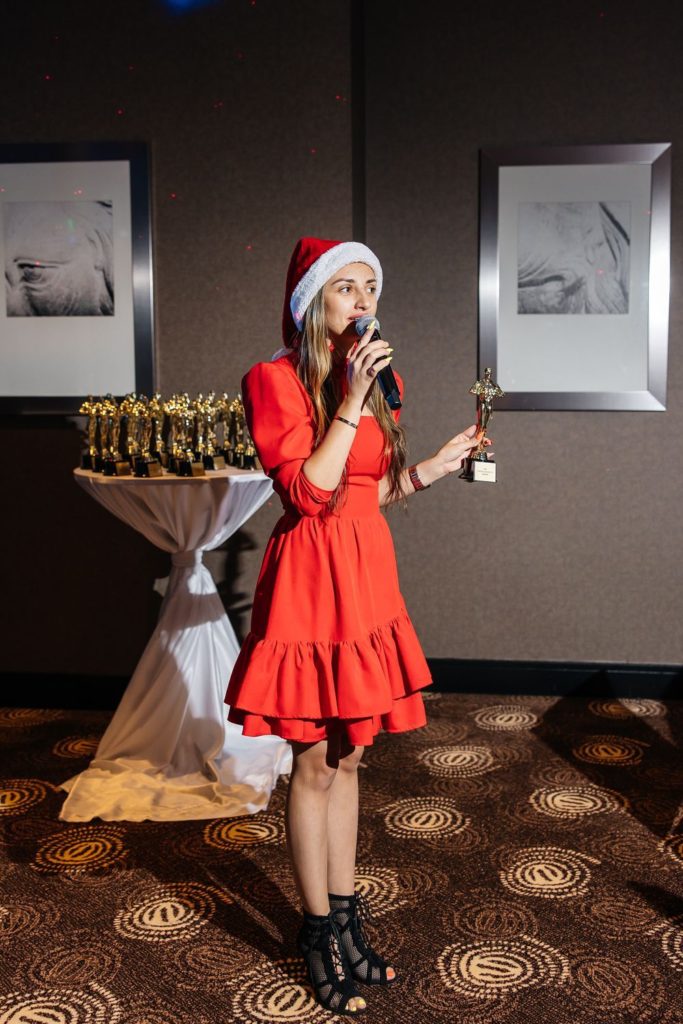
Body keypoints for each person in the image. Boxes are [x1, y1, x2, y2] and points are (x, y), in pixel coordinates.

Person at [225, 237, 480, 1016]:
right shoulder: (272, 379)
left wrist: (431, 467)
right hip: (308, 583)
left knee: (352, 756)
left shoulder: (379, 381)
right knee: (313, 763)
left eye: (370, 285)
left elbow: (365, 491)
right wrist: (347, 397)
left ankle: (344, 916)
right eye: (344, 286)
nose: (363, 299)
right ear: (310, 303)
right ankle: (314, 934)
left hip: (366, 577)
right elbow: (308, 494)